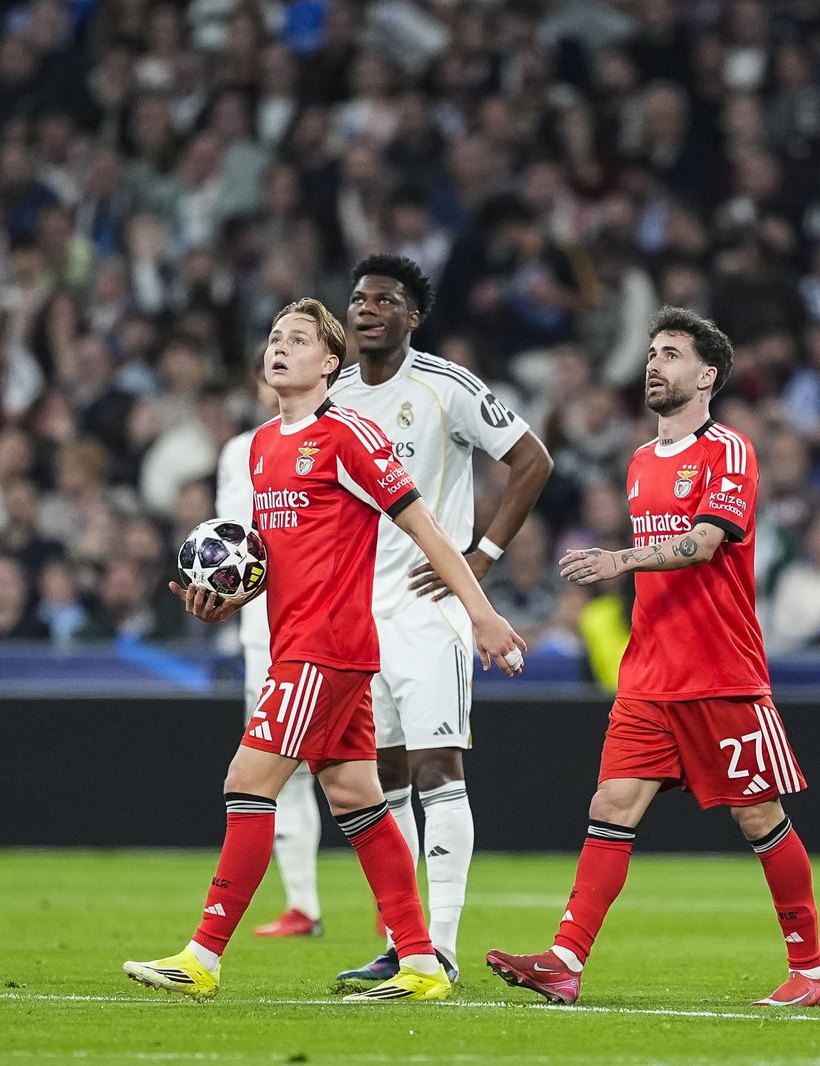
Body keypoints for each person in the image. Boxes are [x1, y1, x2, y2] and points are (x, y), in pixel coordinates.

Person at [122, 298, 526, 1003]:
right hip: (300, 645)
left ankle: (203, 956)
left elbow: (424, 527)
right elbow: (282, 560)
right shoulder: (261, 447)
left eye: (298, 339)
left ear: (330, 362)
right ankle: (422, 962)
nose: (279, 348)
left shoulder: (348, 435)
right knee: (357, 799)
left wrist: (481, 613)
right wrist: (228, 597)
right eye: (274, 337)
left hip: (326, 649)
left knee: (247, 783)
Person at [485, 307, 820, 1008]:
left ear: (706, 377)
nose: (653, 364)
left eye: (671, 353)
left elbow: (704, 543)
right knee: (612, 803)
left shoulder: (729, 450)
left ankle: (811, 973)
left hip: (720, 671)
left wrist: (618, 559)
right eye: (651, 352)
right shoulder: (641, 462)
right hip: (649, 673)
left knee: (758, 817)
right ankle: (565, 961)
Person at [330, 254, 553, 987]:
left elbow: (532, 459)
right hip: (357, 613)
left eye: (384, 300)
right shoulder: (334, 398)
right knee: (382, 776)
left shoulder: (445, 386)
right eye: (359, 299)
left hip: (430, 609)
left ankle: (444, 947)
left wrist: (483, 556)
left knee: (436, 766)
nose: (367, 310)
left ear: (412, 317)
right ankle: (408, 943)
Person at [214, 376, 326, 939]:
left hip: (323, 626)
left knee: (369, 768)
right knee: (284, 774)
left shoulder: (332, 440)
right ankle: (302, 904)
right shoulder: (242, 449)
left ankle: (393, 907)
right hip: (261, 631)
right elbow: (230, 543)